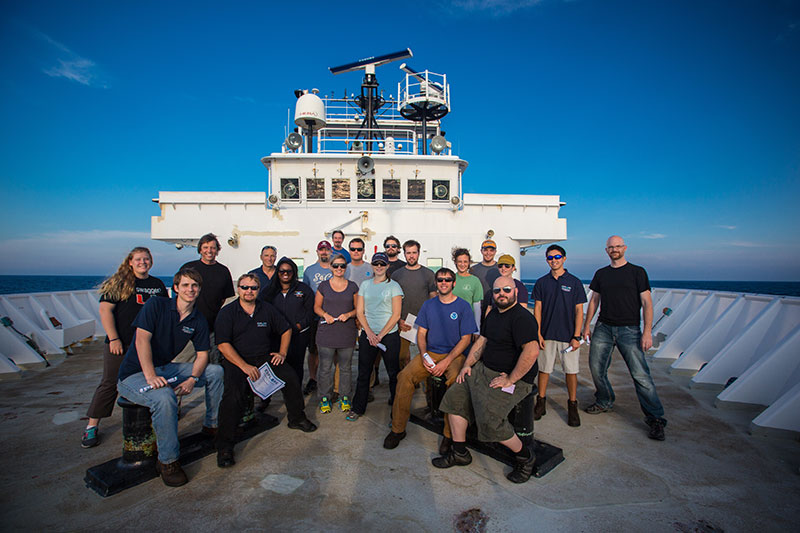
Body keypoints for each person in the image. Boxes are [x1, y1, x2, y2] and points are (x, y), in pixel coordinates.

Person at [116, 268, 224, 487]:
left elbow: (203, 355)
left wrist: (193, 378)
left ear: (199, 289)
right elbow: (141, 341)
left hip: (165, 368)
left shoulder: (197, 319)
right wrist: (150, 375)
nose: (190, 289)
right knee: (165, 397)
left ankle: (212, 427)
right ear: (175, 288)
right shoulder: (156, 305)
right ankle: (168, 461)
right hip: (134, 374)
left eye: (194, 285)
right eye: (185, 285)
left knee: (215, 372)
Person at [432, 277, 540, 484]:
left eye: (506, 289)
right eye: (497, 290)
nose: (501, 293)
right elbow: (482, 341)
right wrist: (467, 365)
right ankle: (460, 452)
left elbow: (532, 351)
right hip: (483, 370)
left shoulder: (522, 318)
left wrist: (510, 379)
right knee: (453, 398)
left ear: (516, 291)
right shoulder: (493, 315)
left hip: (511, 378)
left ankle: (525, 457)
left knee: (489, 419)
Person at [214, 273, 316, 468]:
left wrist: (282, 353)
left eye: (253, 288)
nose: (249, 291)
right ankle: (225, 445)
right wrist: (244, 366)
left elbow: (285, 330)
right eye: (245, 287)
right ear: (238, 289)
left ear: (258, 290)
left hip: (263, 357)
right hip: (237, 360)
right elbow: (223, 345)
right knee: (232, 396)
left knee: (291, 379)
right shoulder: (227, 312)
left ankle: (297, 418)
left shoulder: (266, 309)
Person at [582, 235, 667, 441]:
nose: (614, 249)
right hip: (604, 327)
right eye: (611, 247)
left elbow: (646, 303)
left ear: (625, 248)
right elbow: (594, 300)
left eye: (618, 246)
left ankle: (655, 418)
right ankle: (604, 400)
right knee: (596, 367)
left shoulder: (637, 272)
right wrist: (587, 326)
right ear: (606, 250)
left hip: (629, 329)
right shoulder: (601, 274)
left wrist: (647, 332)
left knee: (640, 375)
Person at [82, 247, 168, 448]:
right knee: (110, 383)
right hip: (122, 343)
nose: (143, 262)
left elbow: (164, 314)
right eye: (138, 259)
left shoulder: (157, 285)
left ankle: (148, 422)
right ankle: (91, 426)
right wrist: (113, 339)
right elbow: (105, 311)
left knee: (148, 382)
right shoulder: (119, 282)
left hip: (147, 345)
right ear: (130, 262)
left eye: (146, 259)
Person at [383, 268, 477, 450]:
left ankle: (449, 435)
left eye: (447, 280)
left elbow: (466, 339)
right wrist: (425, 355)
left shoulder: (463, 306)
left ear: (454, 283)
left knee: (454, 383)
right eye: (440, 280)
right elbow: (421, 334)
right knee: (404, 377)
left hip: (454, 355)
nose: (444, 283)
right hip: (430, 353)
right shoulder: (429, 305)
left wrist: (447, 361)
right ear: (436, 283)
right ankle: (398, 429)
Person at [532, 245, 587, 427]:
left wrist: (576, 336)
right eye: (550, 258)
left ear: (564, 258)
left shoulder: (574, 282)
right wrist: (538, 333)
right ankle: (541, 403)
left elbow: (579, 311)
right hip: (546, 334)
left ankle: (572, 406)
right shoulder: (541, 282)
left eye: (557, 257)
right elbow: (537, 309)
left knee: (571, 372)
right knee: (544, 370)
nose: (553, 260)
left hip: (568, 336)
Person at [346, 252, 403, 421]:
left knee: (393, 373)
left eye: (382, 264)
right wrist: (370, 333)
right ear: (372, 265)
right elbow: (359, 311)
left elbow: (396, 314)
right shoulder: (365, 285)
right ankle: (358, 408)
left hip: (389, 336)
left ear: (387, 266)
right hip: (368, 335)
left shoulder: (394, 286)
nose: (379, 267)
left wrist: (381, 335)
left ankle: (397, 409)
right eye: (376, 263)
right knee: (363, 373)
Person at [179, 233, 234, 364]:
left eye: (213, 247)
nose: (209, 251)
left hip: (212, 328)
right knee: (184, 363)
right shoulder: (189, 268)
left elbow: (224, 299)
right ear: (200, 249)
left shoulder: (223, 271)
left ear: (217, 250)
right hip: (189, 325)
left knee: (212, 364)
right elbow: (179, 295)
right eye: (205, 247)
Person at [314, 256, 359, 413]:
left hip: (346, 334)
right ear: (330, 267)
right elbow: (316, 307)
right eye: (336, 266)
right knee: (325, 368)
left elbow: (358, 309)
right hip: (326, 334)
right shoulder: (323, 286)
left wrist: (349, 314)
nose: (339, 268)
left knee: (346, 368)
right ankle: (324, 398)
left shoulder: (353, 286)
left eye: (342, 266)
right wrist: (325, 314)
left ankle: (345, 396)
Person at [261, 257, 315, 383]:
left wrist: (299, 326)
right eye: (282, 271)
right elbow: (261, 311)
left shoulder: (304, 289)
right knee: (273, 366)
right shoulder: (269, 291)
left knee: (296, 366)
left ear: (294, 272)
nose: (285, 274)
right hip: (275, 336)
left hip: (298, 335)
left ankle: (295, 395)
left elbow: (310, 311)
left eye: (289, 271)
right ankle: (266, 398)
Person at [391, 240, 436, 369]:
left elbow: (433, 298)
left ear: (419, 253)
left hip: (424, 322)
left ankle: (428, 387)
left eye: (414, 253)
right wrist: (398, 319)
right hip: (404, 321)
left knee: (427, 354)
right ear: (404, 254)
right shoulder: (397, 275)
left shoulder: (428, 274)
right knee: (402, 357)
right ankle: (406, 383)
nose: (411, 256)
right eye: (408, 253)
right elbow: (393, 300)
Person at [301, 240, 334, 394]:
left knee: (334, 351)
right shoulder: (309, 271)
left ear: (331, 252)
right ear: (317, 251)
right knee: (313, 350)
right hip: (315, 318)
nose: (324, 252)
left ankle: (333, 380)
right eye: (321, 250)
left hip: (333, 317)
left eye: (327, 250)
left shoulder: (338, 268)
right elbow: (306, 295)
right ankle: (313, 378)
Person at [451, 247, 484, 328]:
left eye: (465, 261)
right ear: (455, 262)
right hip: (450, 322)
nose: (462, 264)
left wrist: (477, 329)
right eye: (460, 261)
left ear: (469, 262)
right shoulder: (450, 279)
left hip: (467, 322)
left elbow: (477, 307)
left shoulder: (475, 281)